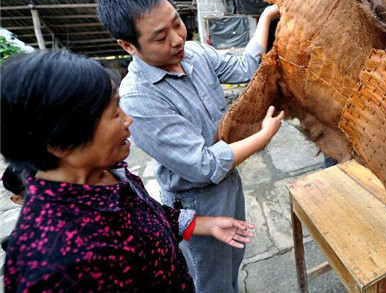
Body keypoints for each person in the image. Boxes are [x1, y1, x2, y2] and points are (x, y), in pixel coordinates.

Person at [1, 51, 256, 292]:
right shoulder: (58, 266)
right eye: (114, 114)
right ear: (59, 141)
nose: (129, 120)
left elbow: (145, 215)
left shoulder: (106, 172)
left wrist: (201, 224)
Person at [97, 0, 284, 293]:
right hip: (195, 201)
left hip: (229, 183)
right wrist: (263, 137)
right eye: (160, 37)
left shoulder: (195, 52)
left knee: (233, 263)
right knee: (209, 280)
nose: (176, 39)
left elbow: (243, 68)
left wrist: (265, 18)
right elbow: (204, 166)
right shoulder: (139, 99)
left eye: (177, 24)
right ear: (128, 45)